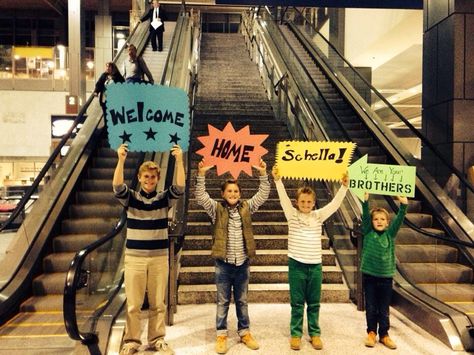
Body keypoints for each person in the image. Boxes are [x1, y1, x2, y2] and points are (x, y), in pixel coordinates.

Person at [113, 143, 185, 355]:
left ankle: (157, 339)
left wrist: (179, 160)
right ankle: (132, 341)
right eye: (146, 177)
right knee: (134, 305)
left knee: (158, 304)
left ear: (158, 178)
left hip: (159, 258)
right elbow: (117, 186)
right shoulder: (131, 198)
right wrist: (121, 160)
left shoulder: (164, 199)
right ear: (140, 177)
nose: (149, 181)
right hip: (134, 258)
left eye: (153, 178)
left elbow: (180, 187)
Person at [195, 158, 270, 354]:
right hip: (223, 264)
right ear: (222, 193)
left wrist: (263, 174)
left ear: (240, 194)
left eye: (236, 191)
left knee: (242, 300)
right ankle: (221, 334)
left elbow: (263, 195)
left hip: (243, 263)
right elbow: (201, 196)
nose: (233, 194)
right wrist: (201, 175)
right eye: (229, 191)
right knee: (222, 301)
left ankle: (244, 332)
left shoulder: (247, 207)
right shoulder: (216, 209)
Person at [272, 166, 349, 351]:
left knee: (314, 303)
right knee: (297, 303)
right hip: (296, 265)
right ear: (297, 202)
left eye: (309, 202)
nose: (306, 205)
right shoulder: (292, 215)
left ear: (314, 203)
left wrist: (344, 187)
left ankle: (315, 333)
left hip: (315, 266)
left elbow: (335, 205)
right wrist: (277, 180)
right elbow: (282, 199)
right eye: (303, 202)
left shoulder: (318, 216)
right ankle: (296, 334)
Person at [361, 193, 408, 350]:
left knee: (384, 308)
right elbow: (366, 216)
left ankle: (385, 334)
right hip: (369, 276)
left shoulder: (390, 234)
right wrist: (365, 201)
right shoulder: (368, 231)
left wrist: (403, 205)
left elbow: (400, 219)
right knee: (371, 306)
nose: (379, 221)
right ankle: (371, 332)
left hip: (386, 278)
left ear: (388, 223)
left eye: (382, 219)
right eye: (376, 219)